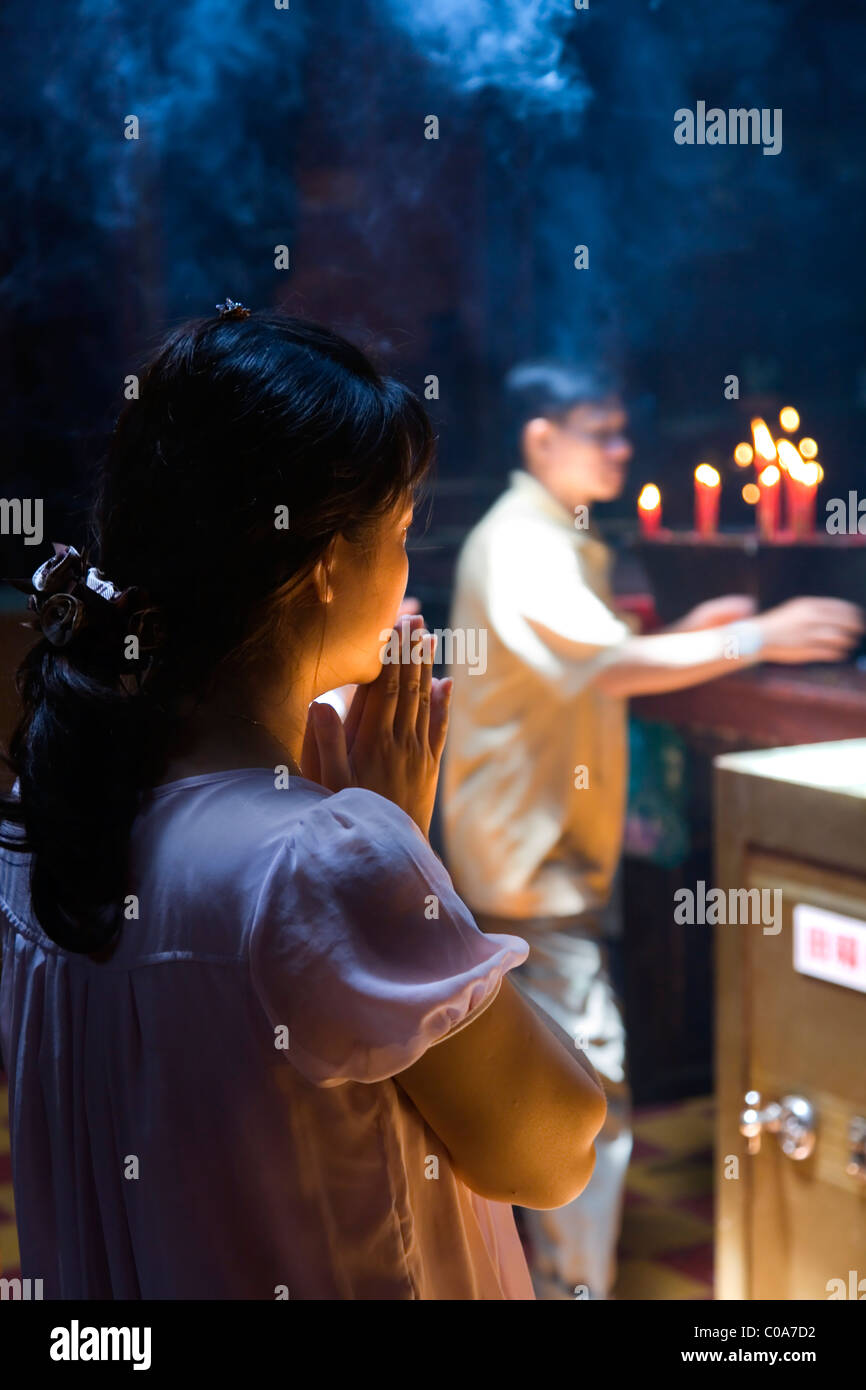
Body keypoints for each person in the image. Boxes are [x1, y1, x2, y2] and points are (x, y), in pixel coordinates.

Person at [0, 312, 607, 1300]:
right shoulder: (320, 858)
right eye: (402, 533)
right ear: (323, 561)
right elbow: (553, 1148)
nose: (409, 570)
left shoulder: (48, 813)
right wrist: (401, 844)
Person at [441, 358, 864, 1300]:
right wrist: (761, 634)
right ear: (540, 439)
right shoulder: (522, 544)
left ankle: (552, 1280)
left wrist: (707, 623)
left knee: (555, 1081)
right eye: (603, 432)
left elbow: (596, 650)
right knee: (583, 1091)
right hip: (527, 866)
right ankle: (571, 1290)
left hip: (540, 857)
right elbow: (608, 667)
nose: (623, 450)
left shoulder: (550, 536)